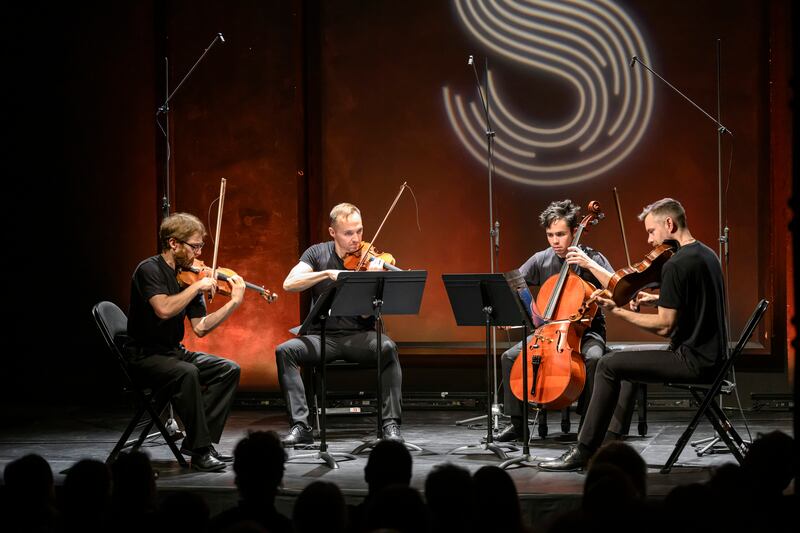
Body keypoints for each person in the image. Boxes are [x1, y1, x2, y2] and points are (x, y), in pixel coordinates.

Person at [540, 198, 728, 470]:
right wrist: (654, 298)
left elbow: (665, 327)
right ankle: (610, 445)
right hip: (714, 357)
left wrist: (618, 310)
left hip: (692, 360)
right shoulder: (706, 254)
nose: (651, 241)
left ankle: (584, 449)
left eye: (652, 231)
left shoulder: (675, 265)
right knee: (623, 363)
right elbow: (696, 300)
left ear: (669, 224)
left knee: (607, 363)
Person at [497, 199, 636, 441]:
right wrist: (512, 312)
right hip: (550, 332)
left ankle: (588, 424)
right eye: (550, 235)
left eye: (560, 234)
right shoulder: (541, 258)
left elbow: (617, 288)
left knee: (594, 359)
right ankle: (517, 424)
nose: (555, 241)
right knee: (509, 357)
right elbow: (515, 284)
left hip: (587, 331)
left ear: (574, 232)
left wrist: (588, 264)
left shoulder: (592, 257)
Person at [276, 203, 403, 447]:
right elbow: (289, 283)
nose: (356, 239)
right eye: (348, 233)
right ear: (333, 232)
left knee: (388, 348)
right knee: (285, 351)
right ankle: (300, 426)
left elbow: (368, 314)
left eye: (359, 231)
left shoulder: (371, 259)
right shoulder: (316, 253)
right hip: (322, 337)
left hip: (359, 338)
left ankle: (390, 425)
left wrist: (370, 280)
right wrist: (326, 274)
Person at [125, 212, 244, 472]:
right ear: (173, 243)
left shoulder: (188, 276)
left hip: (172, 352)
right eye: (195, 246)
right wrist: (197, 287)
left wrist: (233, 303)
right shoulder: (149, 270)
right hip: (144, 355)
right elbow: (164, 309)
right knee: (187, 373)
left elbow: (200, 328)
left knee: (228, 369)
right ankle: (201, 452)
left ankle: (199, 443)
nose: (199, 254)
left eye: (201, 246)